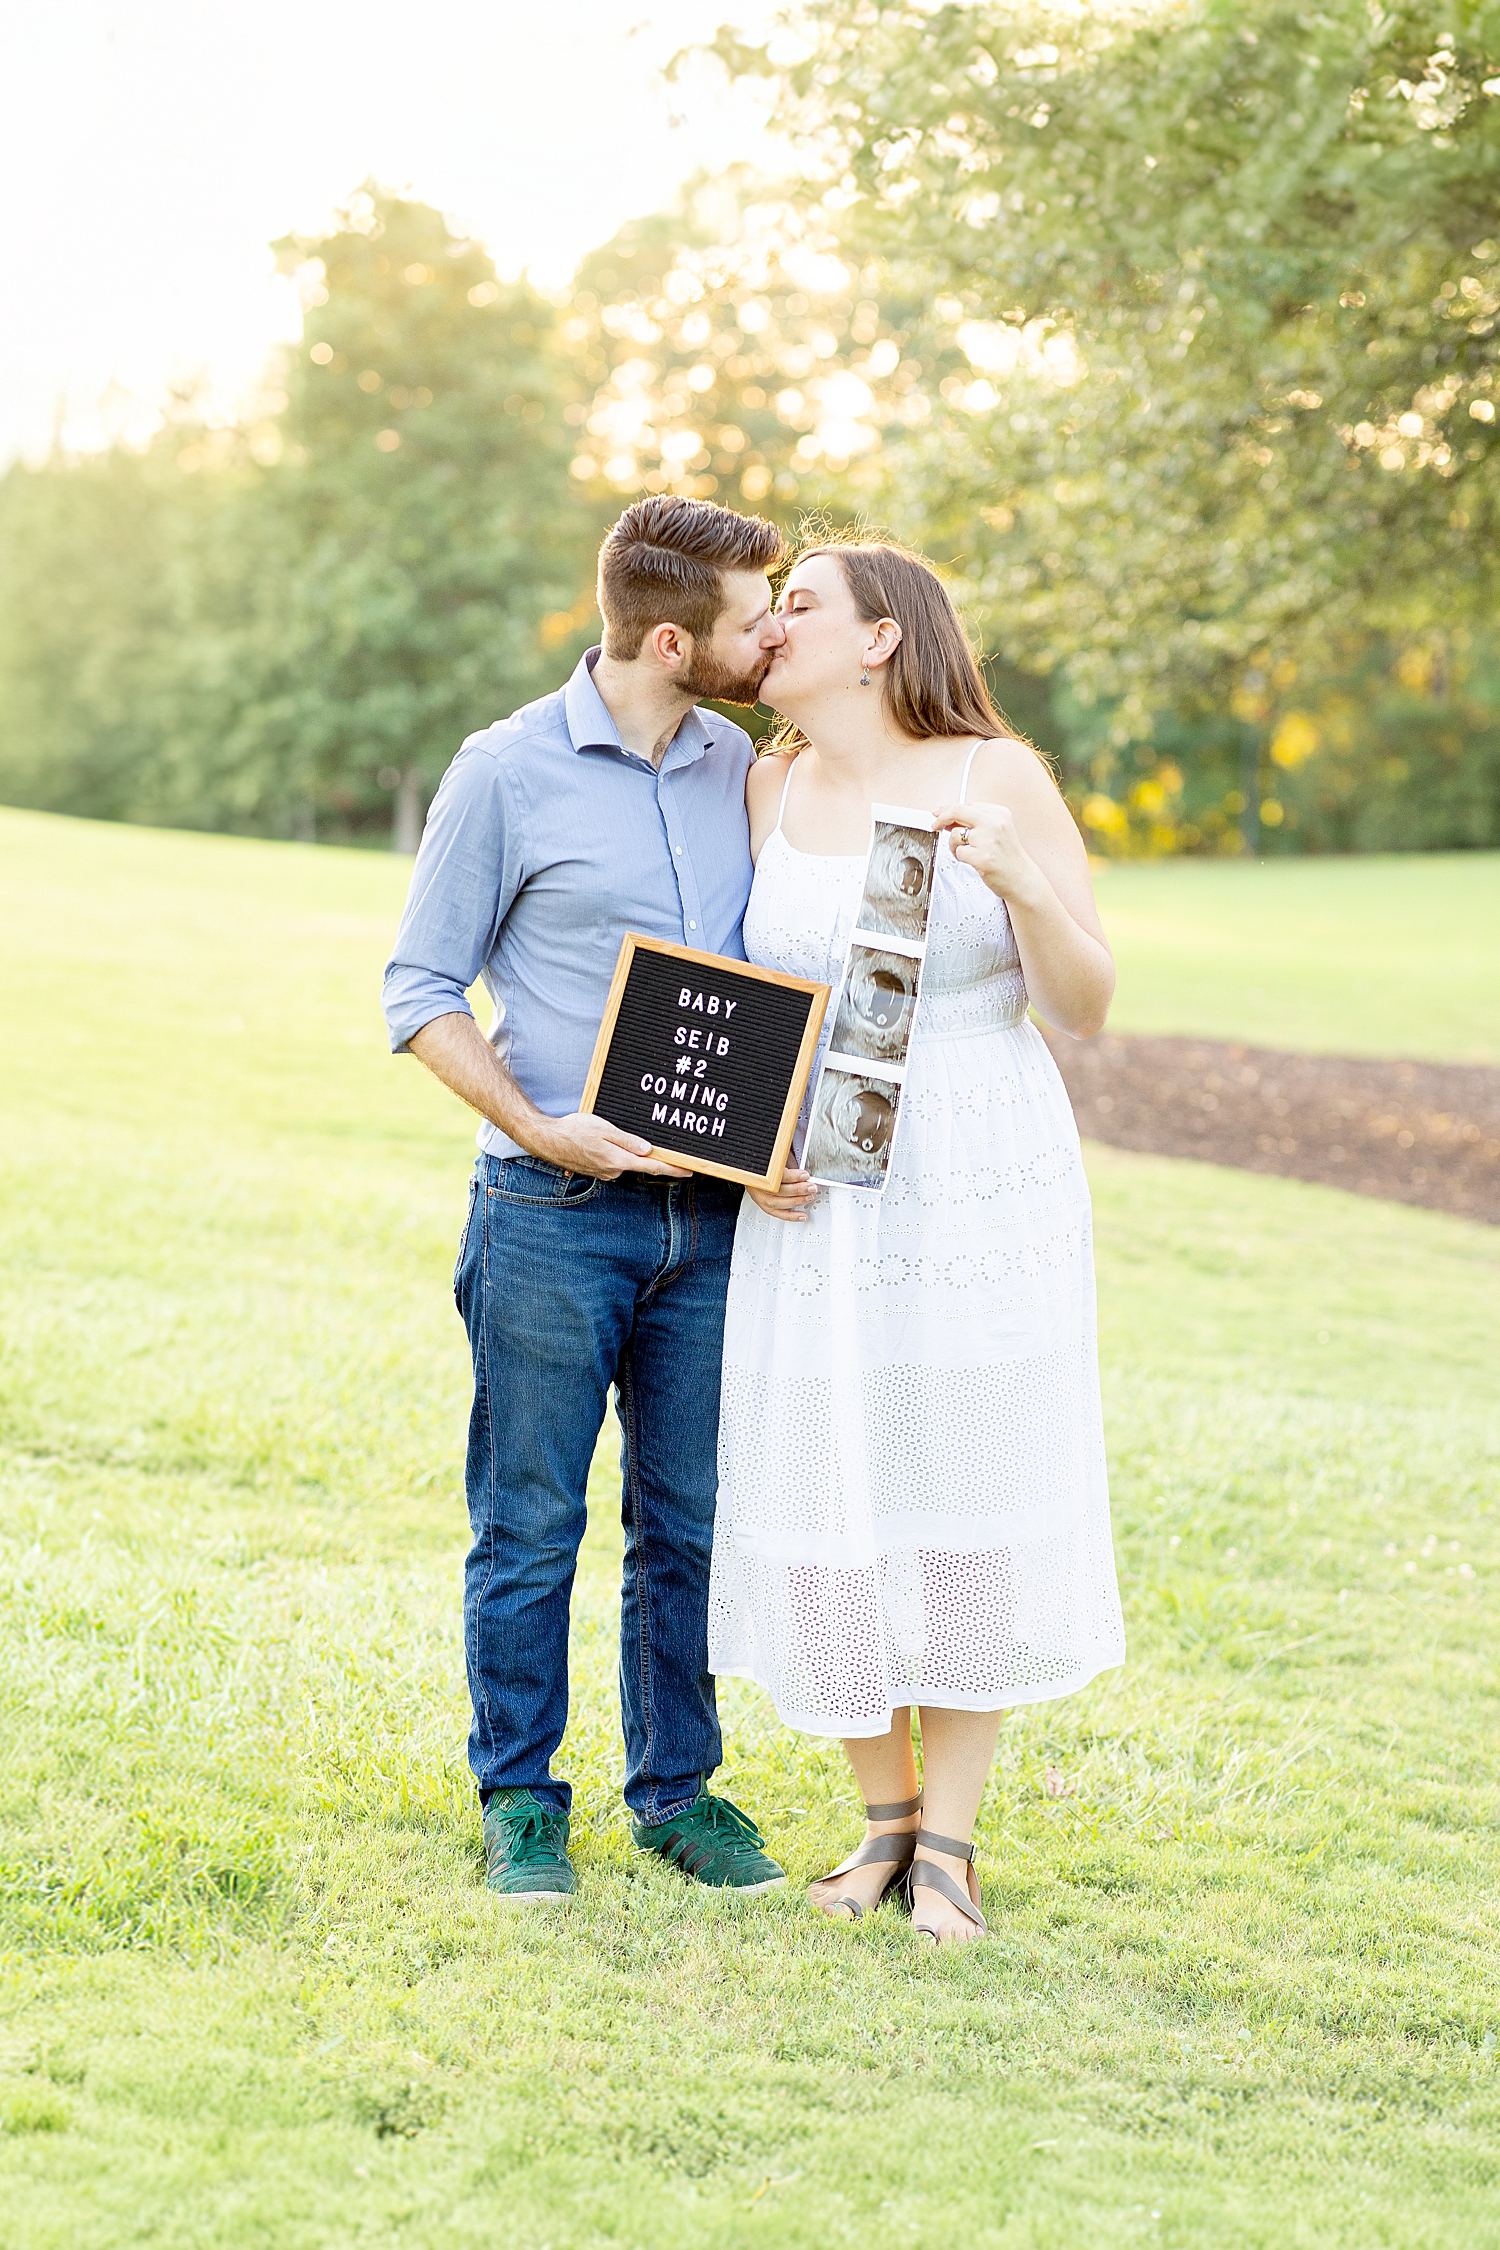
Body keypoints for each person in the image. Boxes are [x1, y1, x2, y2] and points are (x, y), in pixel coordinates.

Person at [707, 537, 1126, 1944]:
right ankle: (878, 1812)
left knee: (967, 1486)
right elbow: (739, 1006)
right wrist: (746, 1149)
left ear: (883, 637)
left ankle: (949, 1837)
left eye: (802, 606)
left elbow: (1087, 1002)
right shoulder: (768, 784)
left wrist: (1020, 879)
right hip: (815, 1194)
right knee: (826, 1486)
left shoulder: (992, 776)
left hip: (980, 1178)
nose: (773, 628)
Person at [382, 495, 792, 1904]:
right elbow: (418, 991)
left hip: (717, 1225)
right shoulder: (504, 771)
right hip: (549, 1221)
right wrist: (542, 1126)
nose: (773, 633)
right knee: (530, 1522)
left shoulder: (739, 761)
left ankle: (679, 1792)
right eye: (754, 617)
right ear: (672, 637)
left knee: (685, 1524)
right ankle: (521, 1798)